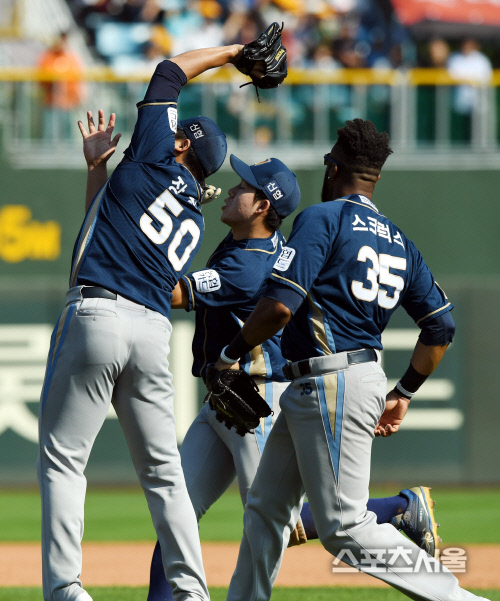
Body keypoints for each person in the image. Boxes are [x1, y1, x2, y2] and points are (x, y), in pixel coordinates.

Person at [214, 119, 486, 601]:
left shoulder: (322, 219)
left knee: (343, 527)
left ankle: (457, 598)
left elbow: (280, 305)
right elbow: (440, 327)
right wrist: (402, 393)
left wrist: (231, 354)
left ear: (333, 167)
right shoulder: (398, 239)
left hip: (329, 381)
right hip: (333, 382)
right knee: (265, 508)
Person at [37, 41, 260, 601]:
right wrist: (97, 170)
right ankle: (192, 593)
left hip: (97, 313)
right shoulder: (189, 211)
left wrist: (236, 51)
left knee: (65, 461)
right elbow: (99, 231)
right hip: (152, 332)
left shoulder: (154, 156)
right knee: (166, 478)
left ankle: (67, 589)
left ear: (180, 142)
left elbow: (169, 71)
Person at [38, 31, 84, 140]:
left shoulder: (71, 58)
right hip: (51, 102)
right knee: (50, 132)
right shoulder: (48, 57)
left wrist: (76, 97)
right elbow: (42, 79)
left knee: (67, 134)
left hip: (68, 103)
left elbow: (76, 79)